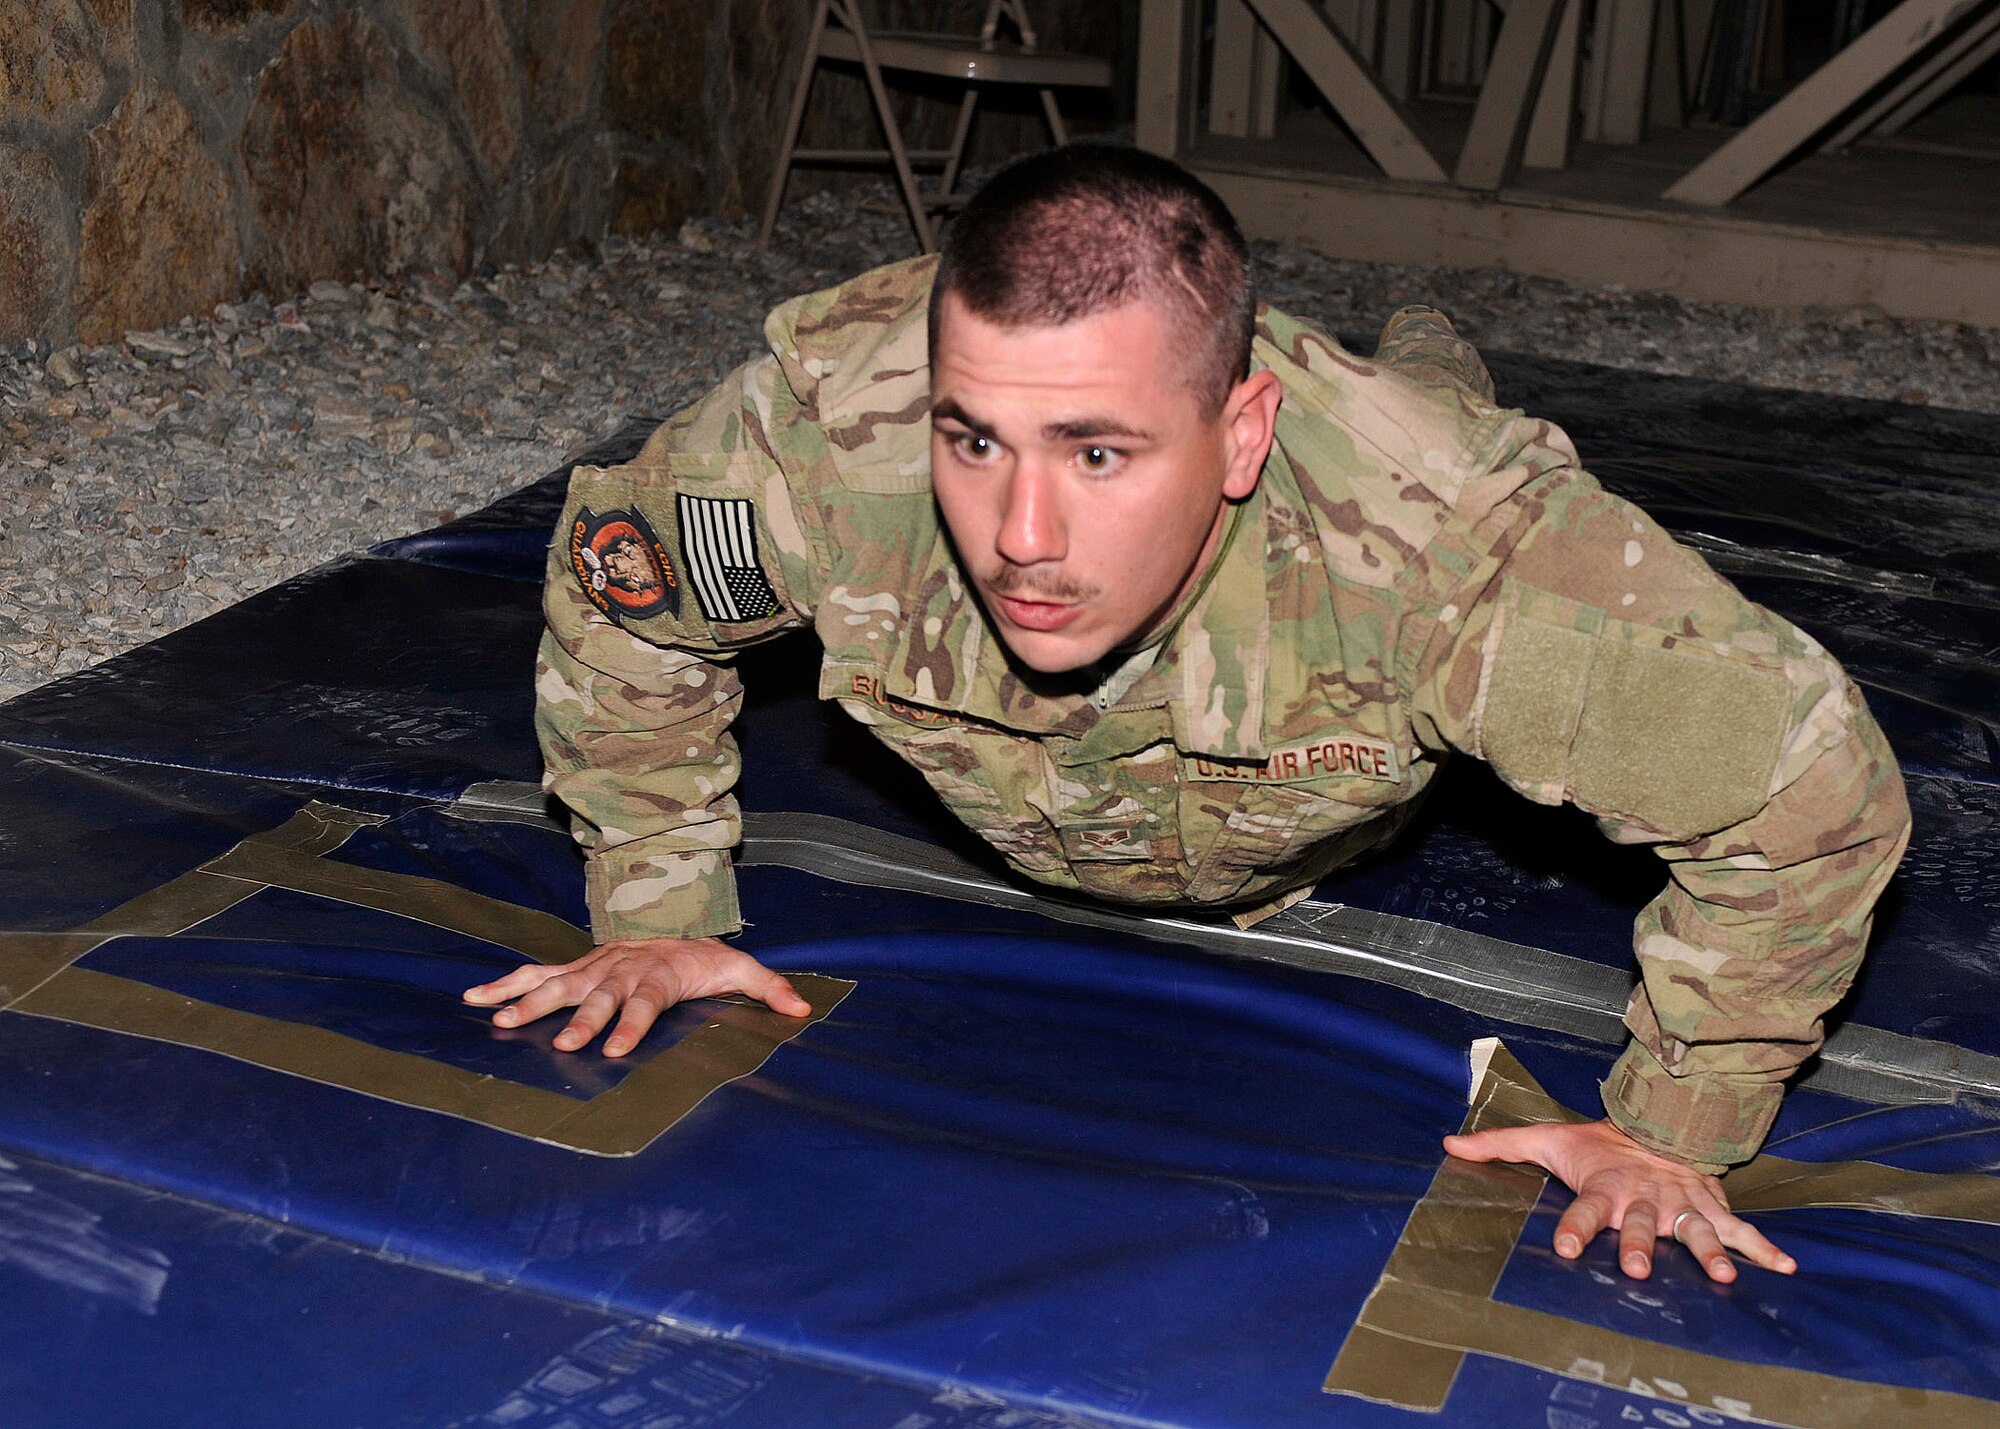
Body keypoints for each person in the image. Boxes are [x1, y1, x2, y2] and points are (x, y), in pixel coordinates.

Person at [466, 145, 1909, 1286]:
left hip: (1352, 560)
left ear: (1239, 437)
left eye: (1097, 453)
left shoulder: (1450, 559)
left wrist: (1668, 1131)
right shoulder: (825, 449)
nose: (1022, 534)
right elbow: (620, 600)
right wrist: (656, 901)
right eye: (977, 441)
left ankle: (1421, 360)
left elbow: (1812, 798)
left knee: (1421, 418)